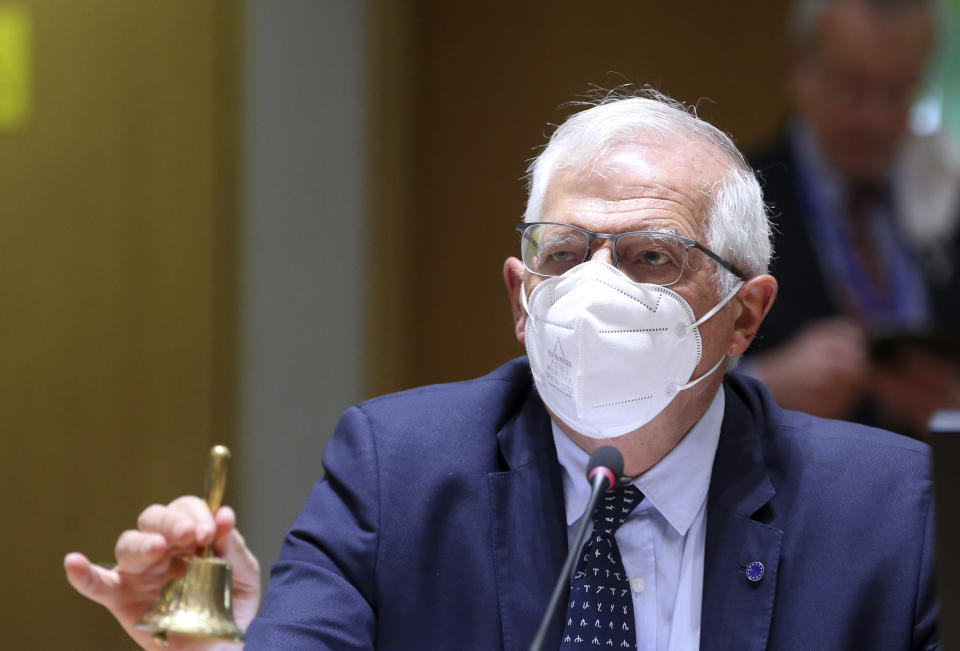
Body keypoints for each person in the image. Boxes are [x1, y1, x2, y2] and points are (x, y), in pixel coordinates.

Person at [65, 91, 939, 650]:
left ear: (744, 314)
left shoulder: (891, 509)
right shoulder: (397, 470)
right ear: (523, 300)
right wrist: (218, 643)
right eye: (564, 254)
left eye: (648, 257)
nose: (596, 290)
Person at [749, 0, 960, 436]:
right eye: (852, 87)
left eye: (898, 91)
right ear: (798, 70)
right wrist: (763, 387)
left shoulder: (948, 188)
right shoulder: (734, 197)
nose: (876, 120)